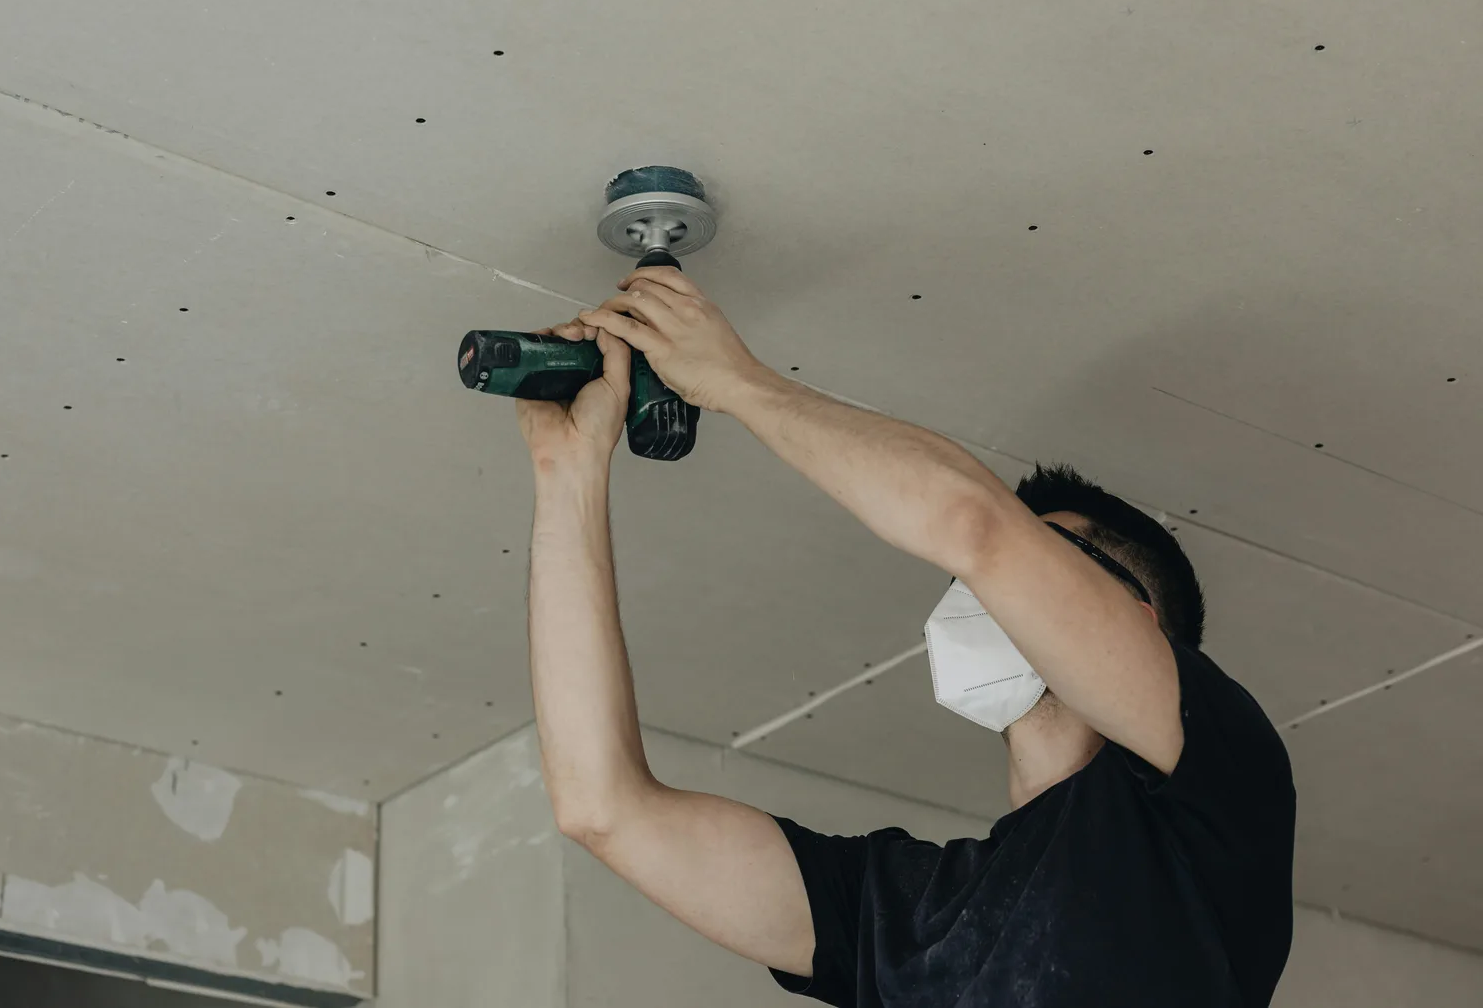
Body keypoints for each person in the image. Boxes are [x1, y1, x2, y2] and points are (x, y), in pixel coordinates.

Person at [516, 266, 1296, 1007]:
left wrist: (735, 381)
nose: (979, 592)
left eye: (1042, 558)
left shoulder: (1217, 796)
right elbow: (601, 806)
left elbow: (973, 526)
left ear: (1134, 616)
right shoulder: (903, 919)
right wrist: (568, 471)